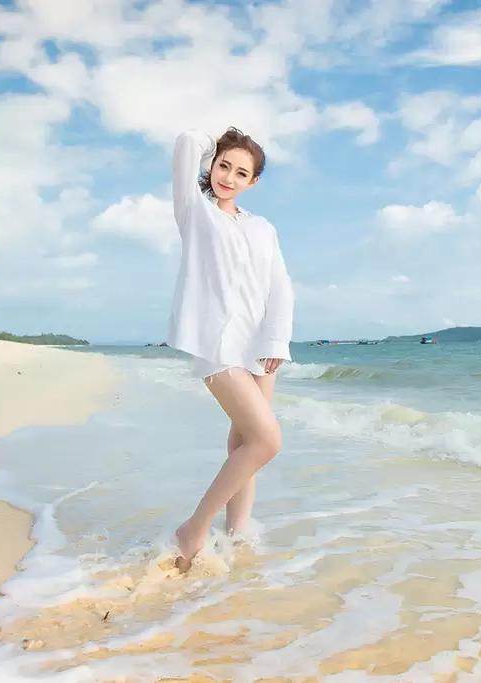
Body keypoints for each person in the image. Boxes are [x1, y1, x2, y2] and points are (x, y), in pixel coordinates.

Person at [165, 126, 294, 572]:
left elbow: (280, 284)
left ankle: (237, 537)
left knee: (244, 442)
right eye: (223, 165)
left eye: (242, 172)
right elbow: (186, 141)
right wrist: (212, 145)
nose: (229, 177)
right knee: (266, 439)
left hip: (261, 348)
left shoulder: (263, 228)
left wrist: (277, 339)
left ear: (253, 182)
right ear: (212, 166)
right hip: (218, 345)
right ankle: (194, 529)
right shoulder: (195, 213)